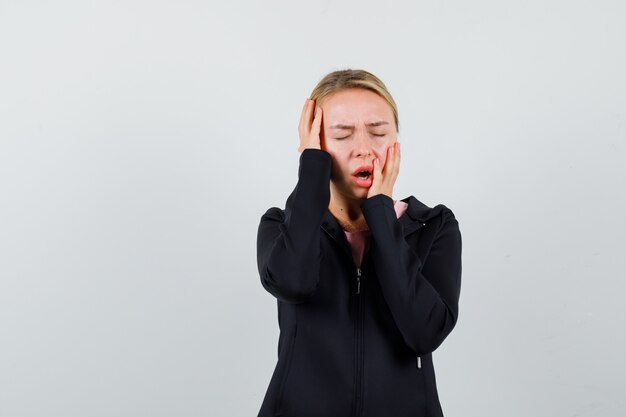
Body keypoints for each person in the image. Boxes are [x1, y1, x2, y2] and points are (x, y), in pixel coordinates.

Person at [256, 69, 462, 417]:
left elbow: (425, 333)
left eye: (379, 132)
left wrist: (381, 213)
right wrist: (311, 173)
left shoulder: (433, 226)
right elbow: (293, 281)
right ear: (315, 146)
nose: (364, 149)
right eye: (342, 135)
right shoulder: (283, 226)